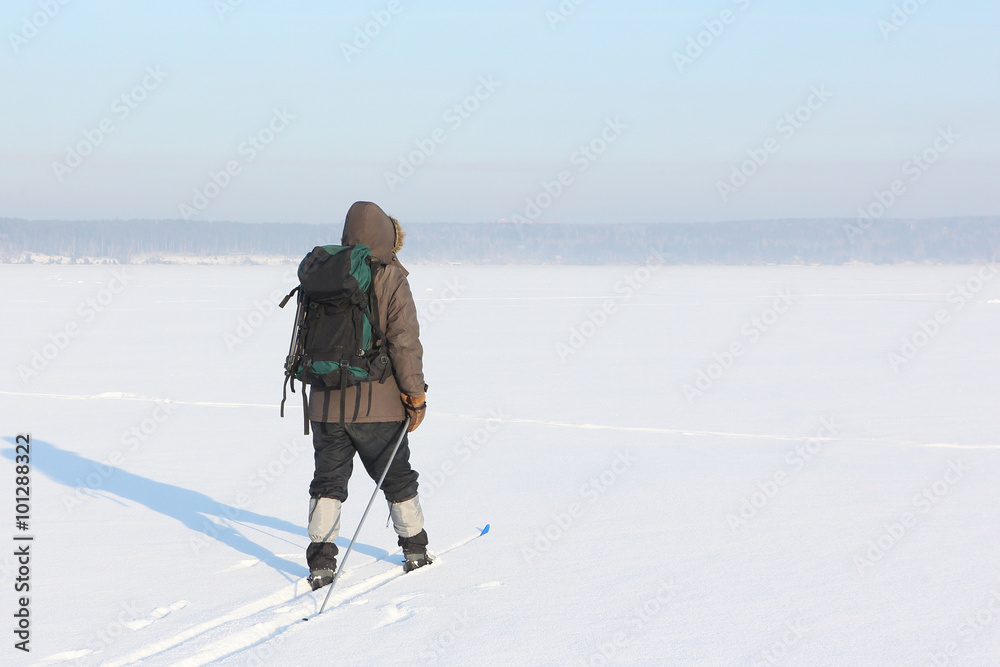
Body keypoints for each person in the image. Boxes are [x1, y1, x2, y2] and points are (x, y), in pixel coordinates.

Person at [305, 201, 429, 591]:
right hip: (379, 405)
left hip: (324, 402)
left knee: (327, 481)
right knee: (397, 478)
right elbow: (404, 343)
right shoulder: (391, 277)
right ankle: (415, 550)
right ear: (388, 237)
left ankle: (321, 563)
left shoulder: (324, 272)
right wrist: (415, 397)